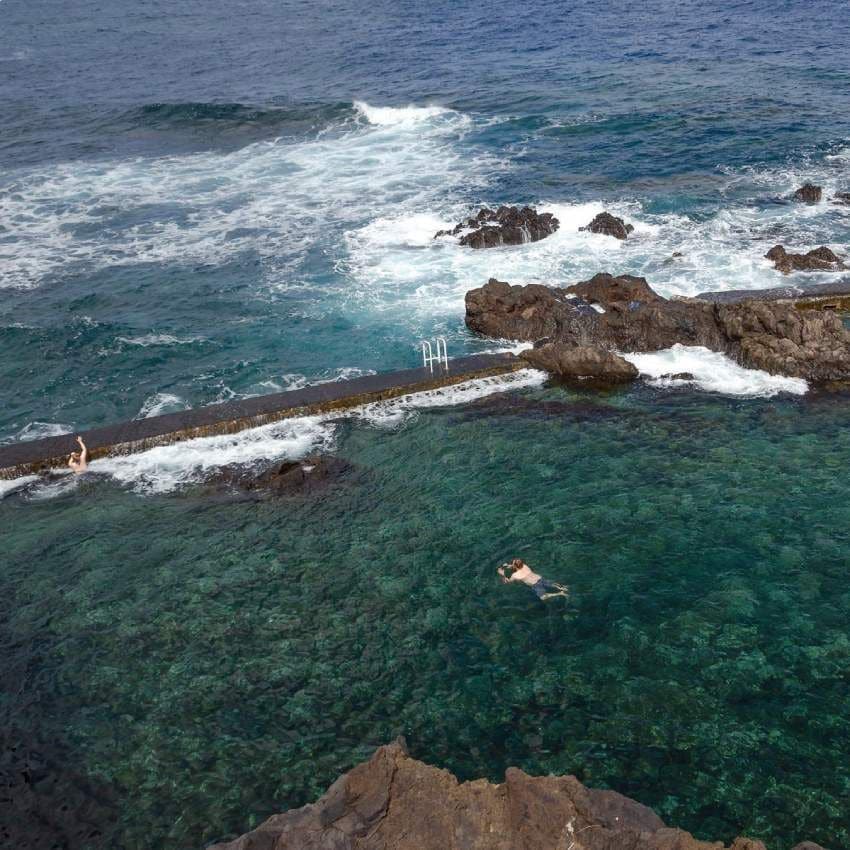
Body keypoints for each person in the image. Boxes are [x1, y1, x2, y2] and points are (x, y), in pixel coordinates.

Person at [497, 558, 569, 601]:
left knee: (543, 597)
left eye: (512, 563)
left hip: (535, 585)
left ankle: (560, 593)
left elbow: (507, 581)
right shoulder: (525, 566)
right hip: (540, 578)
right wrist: (508, 566)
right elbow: (516, 566)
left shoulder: (515, 575)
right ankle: (563, 587)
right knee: (552, 584)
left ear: (515, 566)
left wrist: (502, 573)